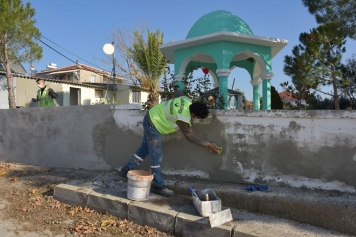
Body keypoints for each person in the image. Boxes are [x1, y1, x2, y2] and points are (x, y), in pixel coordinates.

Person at [119, 90, 221, 197]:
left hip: (150, 116)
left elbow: (177, 92)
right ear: (193, 114)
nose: (197, 120)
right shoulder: (183, 119)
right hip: (153, 124)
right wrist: (209, 144)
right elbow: (191, 138)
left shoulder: (186, 100)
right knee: (157, 154)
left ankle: (125, 170)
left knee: (144, 150)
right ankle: (158, 186)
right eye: (197, 118)